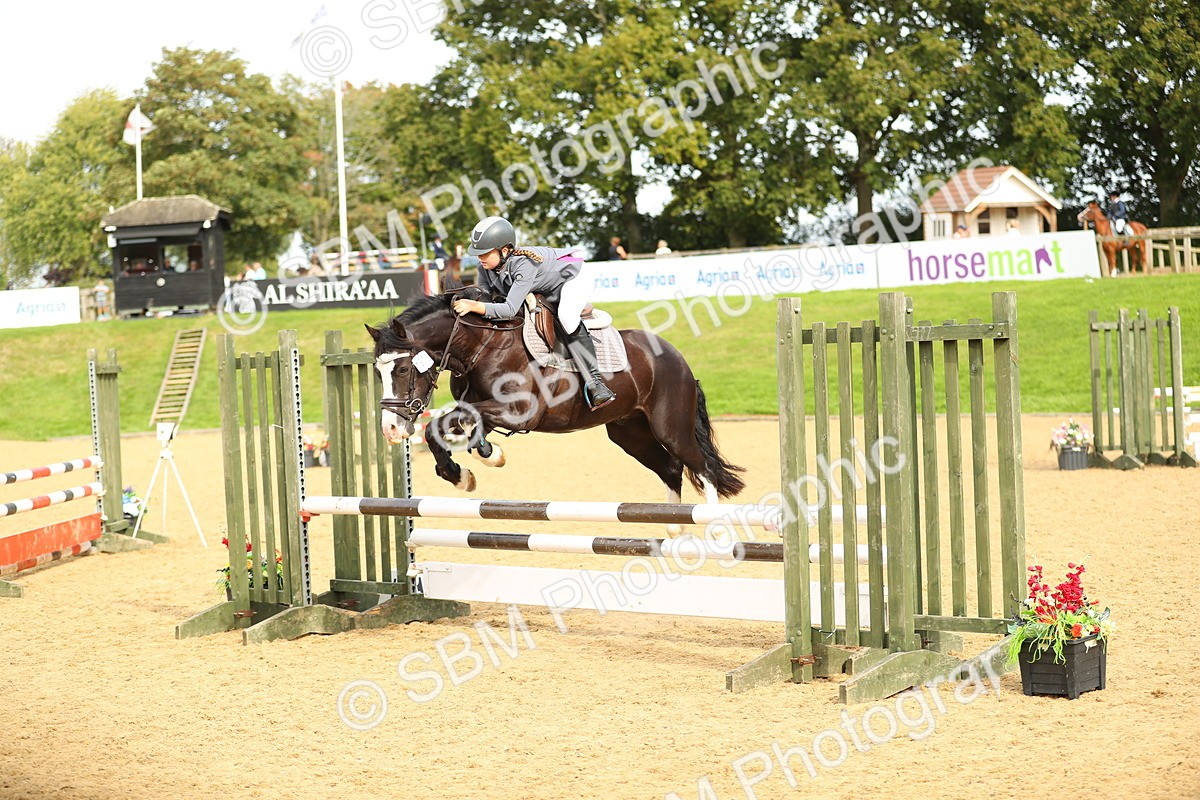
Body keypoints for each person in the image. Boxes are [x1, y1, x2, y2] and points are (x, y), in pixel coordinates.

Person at [451, 216, 616, 410]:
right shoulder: (485, 268)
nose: (480, 258)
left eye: (485, 253)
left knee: (567, 317)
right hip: (548, 286)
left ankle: (595, 383)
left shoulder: (524, 264)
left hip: (575, 278)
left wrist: (474, 306)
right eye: (478, 253)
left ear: (504, 250)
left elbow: (509, 308)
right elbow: (486, 299)